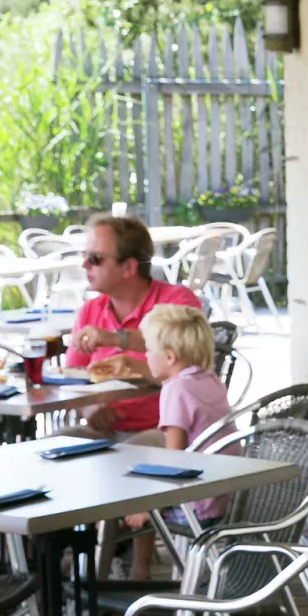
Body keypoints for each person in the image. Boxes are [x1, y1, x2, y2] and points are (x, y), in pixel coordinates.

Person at [108, 305, 236, 579]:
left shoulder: (175, 390)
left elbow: (173, 462)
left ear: (168, 357)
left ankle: (101, 578)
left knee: (113, 504)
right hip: (224, 496)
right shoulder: (208, 378)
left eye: (148, 350)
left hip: (195, 507)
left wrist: (146, 510)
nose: (145, 356)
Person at [62, 215, 202, 438]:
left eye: (95, 258)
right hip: (106, 430)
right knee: (47, 453)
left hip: (168, 428)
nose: (84, 265)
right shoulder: (90, 309)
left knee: (127, 458)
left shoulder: (176, 301)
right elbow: (72, 376)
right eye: (84, 256)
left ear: (128, 267)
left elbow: (187, 367)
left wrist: (116, 338)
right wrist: (91, 408)